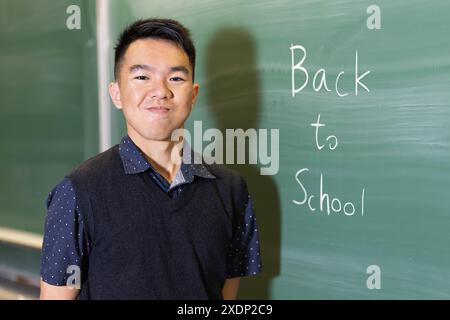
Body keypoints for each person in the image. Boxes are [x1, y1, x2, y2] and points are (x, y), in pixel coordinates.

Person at [39, 18, 262, 300]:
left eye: (176, 78)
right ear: (116, 94)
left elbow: (225, 295)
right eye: (142, 77)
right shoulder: (77, 192)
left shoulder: (231, 190)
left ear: (193, 95)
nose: (161, 91)